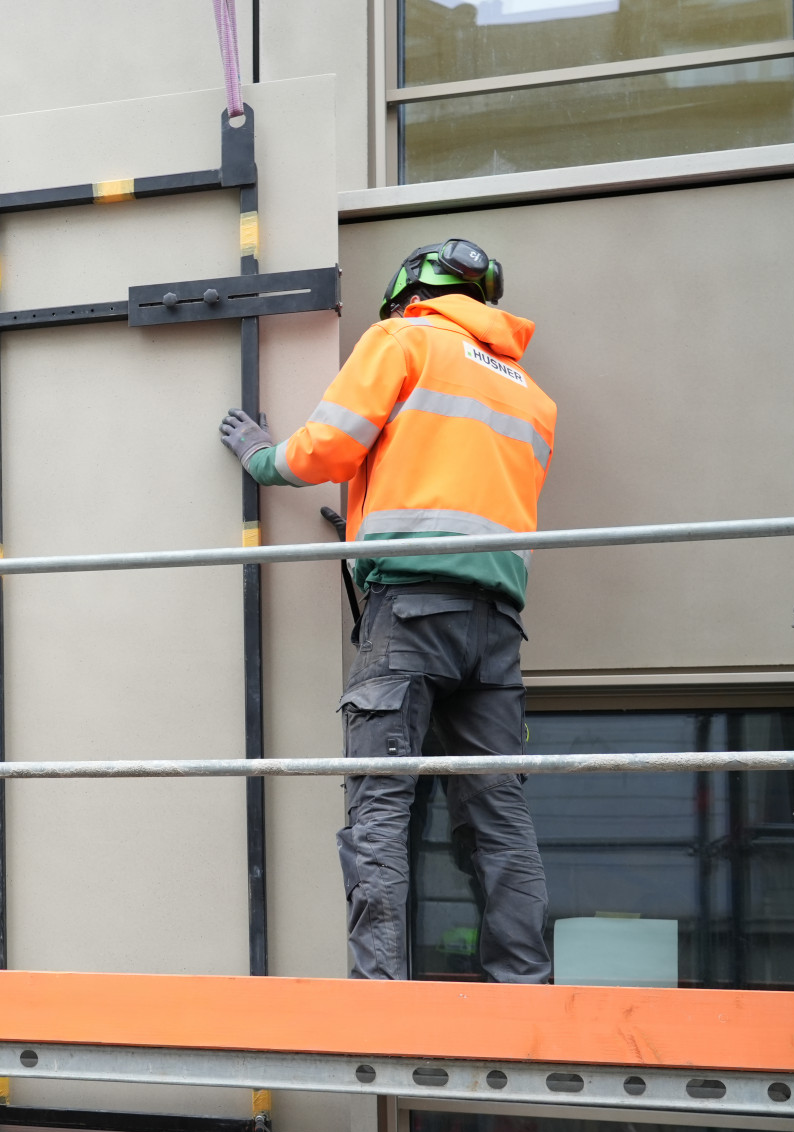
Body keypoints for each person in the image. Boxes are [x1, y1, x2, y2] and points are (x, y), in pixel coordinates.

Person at [217, 238, 555, 983]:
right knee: (499, 813)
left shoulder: (404, 339)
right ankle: (524, 987)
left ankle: (383, 995)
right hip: (497, 624)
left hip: (410, 612)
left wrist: (262, 458)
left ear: (412, 292)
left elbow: (328, 450)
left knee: (381, 803)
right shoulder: (530, 396)